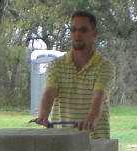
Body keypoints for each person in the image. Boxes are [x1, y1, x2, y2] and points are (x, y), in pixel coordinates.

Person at [33, 11, 114, 139]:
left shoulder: (104, 66)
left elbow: (99, 98)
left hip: (95, 141)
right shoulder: (56, 65)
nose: (77, 34)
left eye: (83, 30)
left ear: (94, 33)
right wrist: (43, 115)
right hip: (62, 142)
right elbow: (49, 92)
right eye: (74, 30)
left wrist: (90, 121)